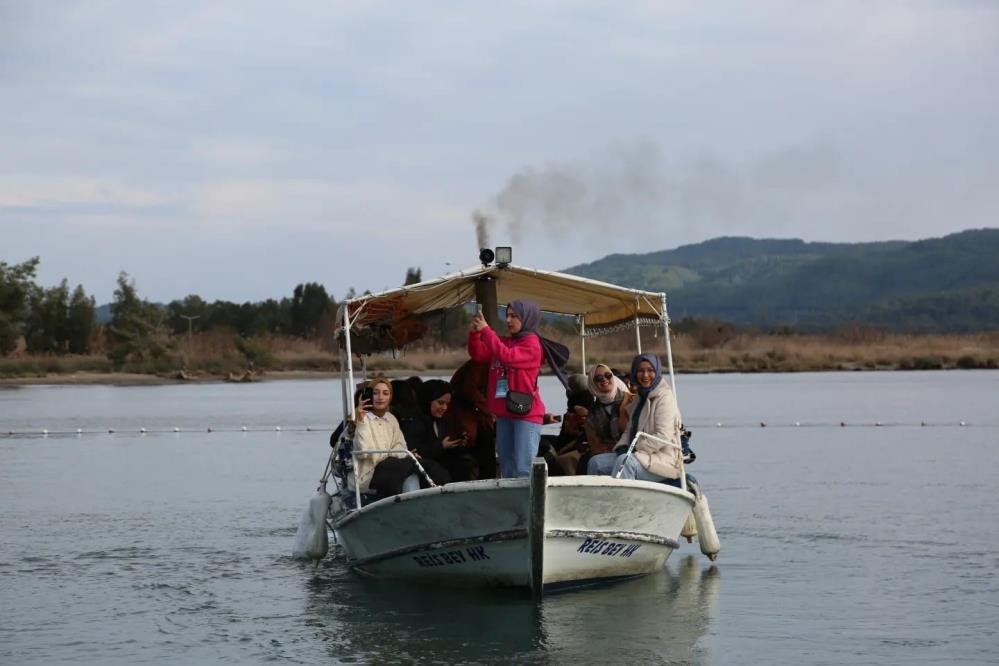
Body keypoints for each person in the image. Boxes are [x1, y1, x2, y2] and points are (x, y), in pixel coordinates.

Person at [468, 300, 546, 478]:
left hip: (526, 415)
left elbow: (508, 357)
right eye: (507, 316)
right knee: (507, 468)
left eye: (514, 316)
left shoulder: (532, 345)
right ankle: (511, 504)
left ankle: (528, 504)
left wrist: (487, 331)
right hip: (504, 413)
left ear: (526, 318)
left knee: (524, 468)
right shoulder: (504, 342)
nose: (508, 320)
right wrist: (474, 334)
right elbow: (478, 354)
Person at [587, 353, 684, 485]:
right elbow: (628, 431)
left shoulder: (665, 398)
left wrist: (634, 449)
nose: (645, 375)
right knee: (596, 463)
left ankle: (623, 503)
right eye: (640, 371)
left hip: (661, 460)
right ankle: (597, 502)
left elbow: (663, 436)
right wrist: (622, 447)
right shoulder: (639, 398)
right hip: (638, 456)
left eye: (650, 370)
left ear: (657, 372)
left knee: (624, 462)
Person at [352, 377, 421, 496]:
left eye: (385, 393)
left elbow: (400, 445)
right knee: (407, 463)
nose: (380, 397)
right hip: (369, 472)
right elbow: (363, 452)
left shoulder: (391, 418)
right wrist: (361, 422)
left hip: (392, 466)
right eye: (375, 393)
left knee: (420, 463)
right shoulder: (362, 418)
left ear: (390, 397)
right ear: (369, 396)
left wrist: (390, 456)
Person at [407, 379, 472, 482]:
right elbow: (414, 452)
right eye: (440, 403)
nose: (444, 408)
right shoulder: (414, 422)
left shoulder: (441, 420)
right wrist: (441, 446)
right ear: (427, 400)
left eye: (447, 404)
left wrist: (457, 443)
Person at [575, 364, 629, 473]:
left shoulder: (630, 400)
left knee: (594, 463)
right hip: (610, 455)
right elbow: (596, 447)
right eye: (598, 378)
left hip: (632, 452)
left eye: (608, 375)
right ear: (592, 384)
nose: (604, 379)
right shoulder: (592, 414)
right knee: (590, 462)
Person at [448, 360, 496, 479]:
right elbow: (470, 389)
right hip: (472, 418)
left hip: (475, 416)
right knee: (487, 461)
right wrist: (489, 410)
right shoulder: (481, 363)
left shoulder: (480, 363)